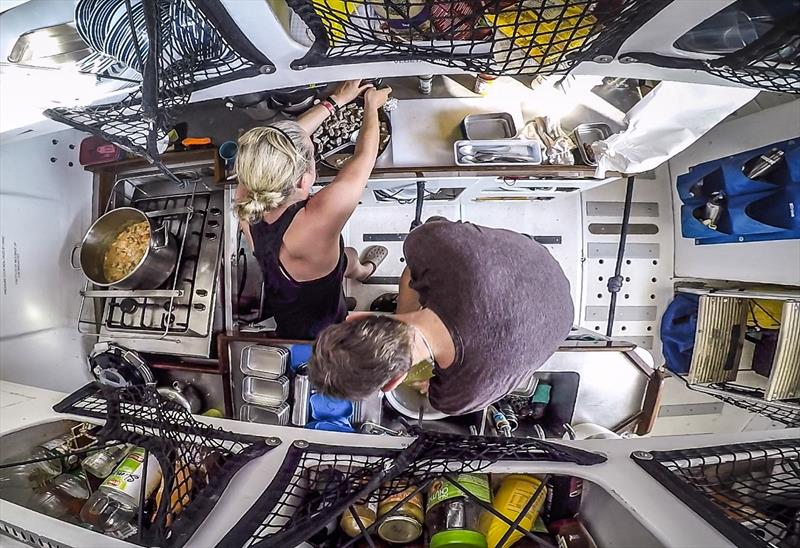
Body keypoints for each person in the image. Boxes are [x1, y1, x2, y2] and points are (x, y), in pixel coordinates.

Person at [308, 218, 574, 415]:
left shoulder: (459, 397)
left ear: (395, 380)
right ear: (354, 316)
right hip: (541, 268)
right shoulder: (429, 242)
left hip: (558, 313)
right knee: (435, 228)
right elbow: (410, 274)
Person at [235, 80, 392, 339]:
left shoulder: (248, 187)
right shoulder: (316, 219)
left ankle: (362, 272)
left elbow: (284, 140)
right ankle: (354, 291)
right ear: (303, 180)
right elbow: (364, 157)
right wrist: (371, 106)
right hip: (316, 325)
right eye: (311, 154)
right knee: (339, 282)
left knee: (347, 256)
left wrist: (335, 102)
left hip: (283, 289)